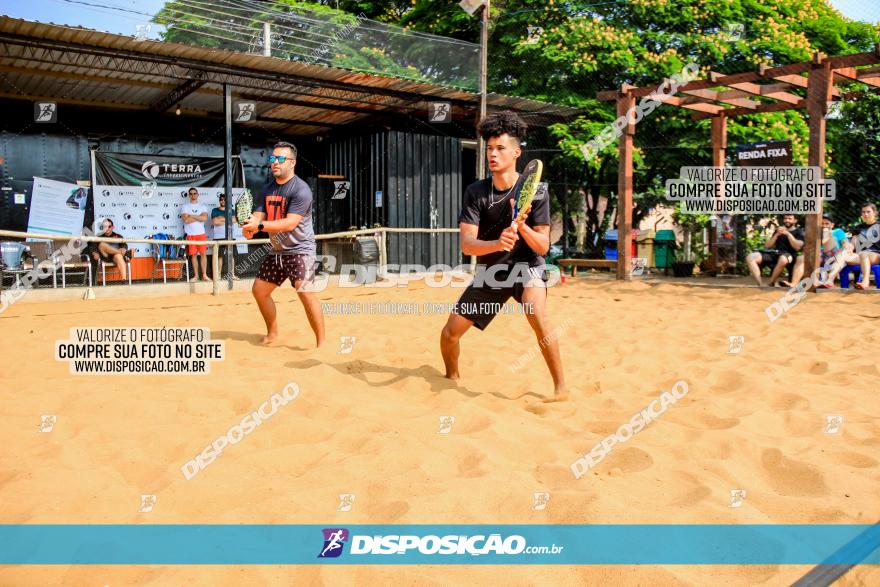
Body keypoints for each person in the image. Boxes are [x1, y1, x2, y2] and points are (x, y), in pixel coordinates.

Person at [439, 111, 566, 402]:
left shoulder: (537, 191)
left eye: (500, 148)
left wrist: (522, 227)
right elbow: (468, 245)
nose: (492, 154)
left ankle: (560, 388)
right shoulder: (475, 192)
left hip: (526, 268)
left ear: (516, 152)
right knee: (449, 335)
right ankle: (451, 379)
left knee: (536, 313)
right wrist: (497, 243)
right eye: (489, 149)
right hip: (491, 272)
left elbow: (543, 246)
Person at [241, 141, 325, 347]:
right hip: (278, 251)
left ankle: (322, 343)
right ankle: (272, 334)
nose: (275, 163)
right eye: (272, 158)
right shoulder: (266, 189)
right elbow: (258, 217)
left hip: (301, 250)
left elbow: (290, 223)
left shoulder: (301, 190)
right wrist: (250, 228)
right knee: (259, 291)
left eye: (280, 159)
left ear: (292, 163)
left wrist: (259, 225)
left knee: (305, 293)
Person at [745, 214, 804, 286]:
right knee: (750, 257)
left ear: (795, 220)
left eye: (790, 218)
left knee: (783, 259)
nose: (787, 220)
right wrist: (776, 235)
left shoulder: (799, 232)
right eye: (785, 218)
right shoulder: (778, 231)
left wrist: (788, 234)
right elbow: (767, 246)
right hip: (775, 253)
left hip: (790, 255)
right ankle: (760, 284)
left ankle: (770, 282)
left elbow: (797, 247)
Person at [815, 213, 854, 288]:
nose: (824, 225)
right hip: (821, 255)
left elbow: (845, 242)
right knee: (816, 258)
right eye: (822, 223)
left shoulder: (837, 231)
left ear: (832, 225)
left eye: (827, 223)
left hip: (834, 254)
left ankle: (829, 280)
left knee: (839, 255)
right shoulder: (817, 233)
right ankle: (817, 280)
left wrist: (847, 247)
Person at [181, 187, 209, 282]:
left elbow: (204, 218)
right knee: (193, 255)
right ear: (189, 195)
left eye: (194, 193)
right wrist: (199, 217)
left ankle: (204, 275)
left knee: (203, 254)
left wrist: (191, 215)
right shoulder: (185, 206)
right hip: (190, 235)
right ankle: (196, 276)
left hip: (201, 234)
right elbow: (186, 220)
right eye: (191, 194)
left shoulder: (202, 206)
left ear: (197, 195)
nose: (193, 195)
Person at [852, 203, 880, 290]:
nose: (865, 214)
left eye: (868, 211)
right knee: (841, 255)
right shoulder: (858, 228)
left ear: (875, 213)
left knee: (863, 253)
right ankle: (829, 280)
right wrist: (848, 248)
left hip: (877, 255)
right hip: (860, 256)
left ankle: (865, 281)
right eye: (863, 212)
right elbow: (853, 244)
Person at [210, 194, 238, 280]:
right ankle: (217, 276)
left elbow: (235, 220)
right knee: (219, 257)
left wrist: (221, 218)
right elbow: (215, 221)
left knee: (232, 256)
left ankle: (232, 275)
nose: (223, 201)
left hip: (230, 236)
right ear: (219, 200)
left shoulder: (232, 210)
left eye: (225, 199)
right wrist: (228, 219)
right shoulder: (214, 210)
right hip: (218, 237)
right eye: (221, 199)